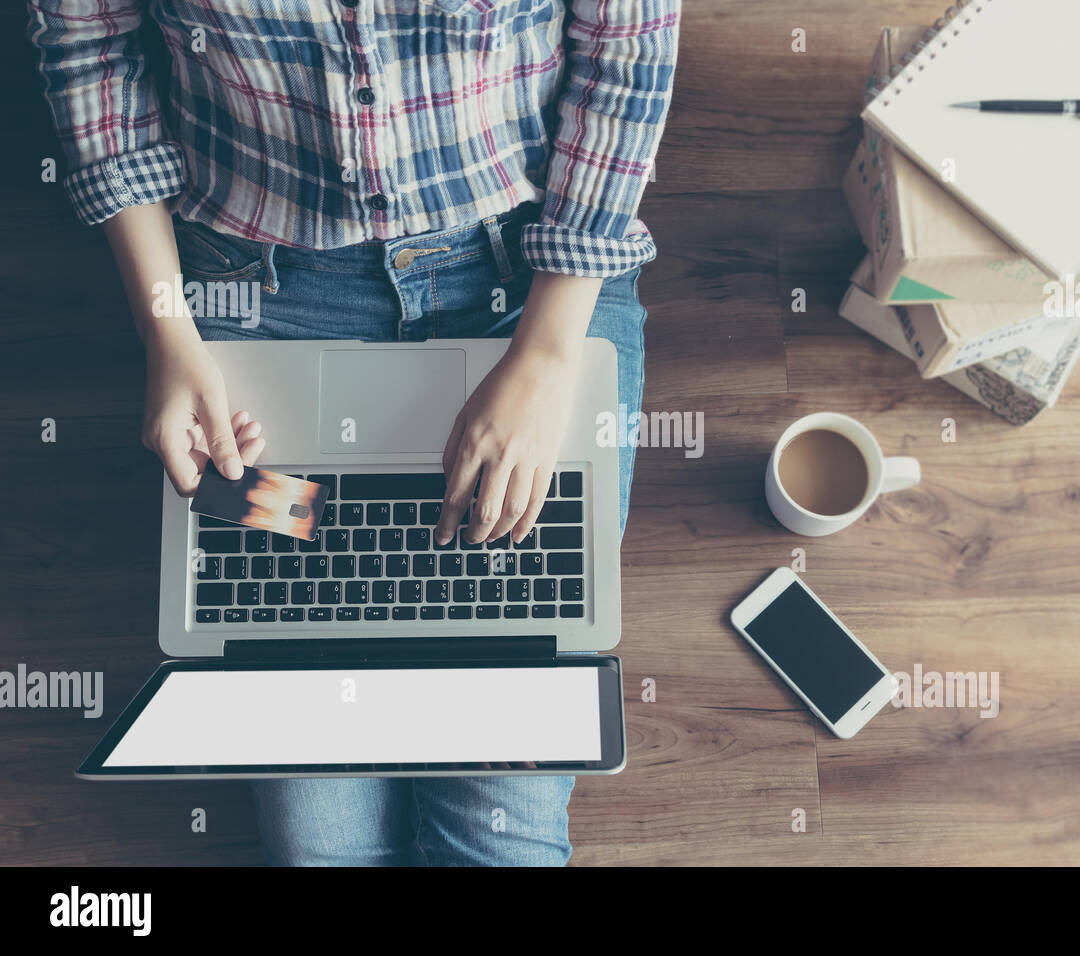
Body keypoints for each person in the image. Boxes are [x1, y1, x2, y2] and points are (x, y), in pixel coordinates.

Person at [28, 0, 679, 866]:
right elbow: (88, 48)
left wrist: (550, 353)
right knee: (320, 850)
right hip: (254, 305)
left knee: (501, 836)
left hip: (529, 279)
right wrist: (166, 329)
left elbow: (627, 53)